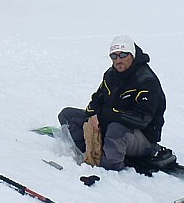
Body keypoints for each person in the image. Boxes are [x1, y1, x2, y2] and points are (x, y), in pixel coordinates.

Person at [57, 35, 166, 171]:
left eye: (123, 55)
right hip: (110, 126)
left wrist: (103, 115)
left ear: (132, 55)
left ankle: (111, 166)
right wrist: (93, 115)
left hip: (142, 139)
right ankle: (90, 150)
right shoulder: (111, 75)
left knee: (116, 129)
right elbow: (96, 100)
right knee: (67, 115)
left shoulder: (147, 81)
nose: (118, 60)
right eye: (114, 56)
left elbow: (141, 119)